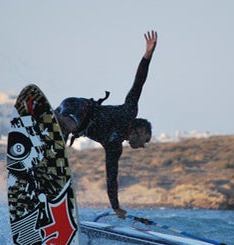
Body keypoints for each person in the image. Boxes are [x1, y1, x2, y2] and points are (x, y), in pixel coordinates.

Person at [55, 30, 158, 219]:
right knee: (71, 125)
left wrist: (116, 206)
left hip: (71, 123)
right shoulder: (130, 110)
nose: (143, 145)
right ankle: (56, 118)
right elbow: (139, 81)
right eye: (146, 139)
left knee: (60, 143)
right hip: (77, 106)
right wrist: (148, 54)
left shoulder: (114, 147)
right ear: (141, 129)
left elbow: (112, 178)